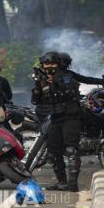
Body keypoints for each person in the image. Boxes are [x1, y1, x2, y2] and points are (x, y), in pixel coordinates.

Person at [31, 51, 81, 192]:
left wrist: (56, 83)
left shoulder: (65, 77)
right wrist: (38, 86)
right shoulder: (43, 79)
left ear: (58, 64)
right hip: (55, 118)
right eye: (46, 63)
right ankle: (61, 182)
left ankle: (72, 185)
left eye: (52, 63)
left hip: (70, 117)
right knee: (53, 152)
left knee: (71, 150)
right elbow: (36, 100)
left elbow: (70, 92)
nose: (49, 66)